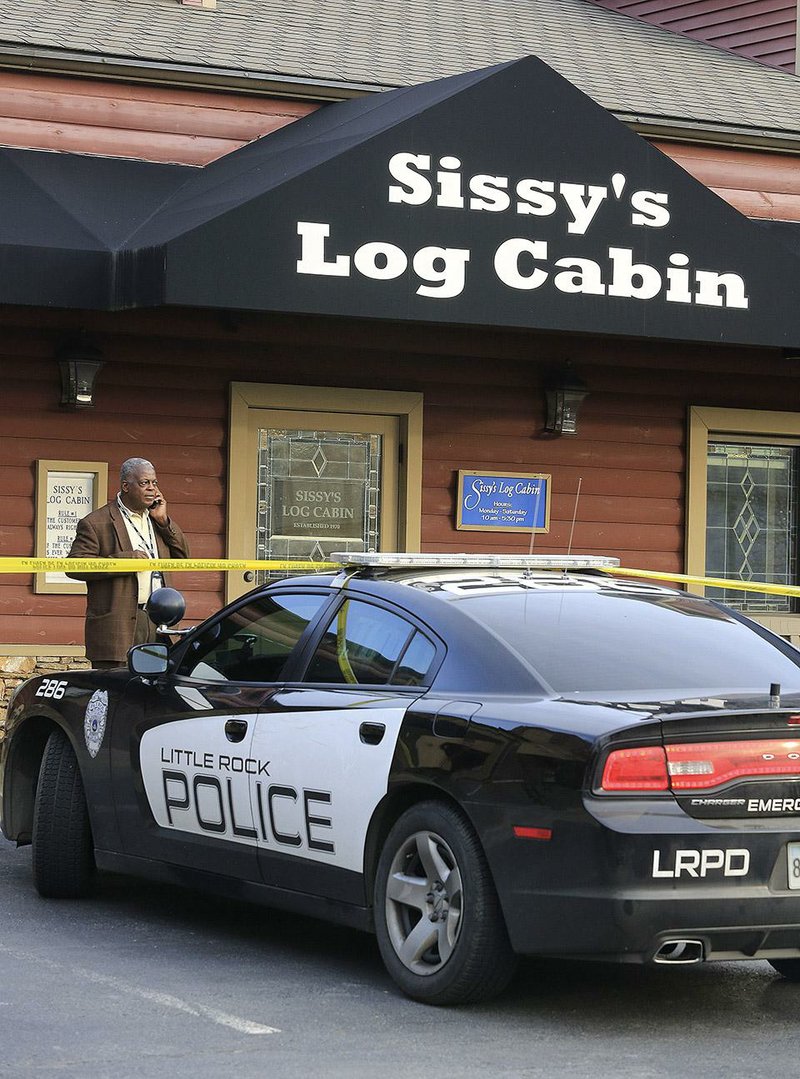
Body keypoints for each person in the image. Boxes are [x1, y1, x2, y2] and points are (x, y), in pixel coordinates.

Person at [67, 457, 190, 669]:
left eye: (154, 483)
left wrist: (164, 521)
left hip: (157, 620)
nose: (152, 489)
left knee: (151, 687)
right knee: (116, 692)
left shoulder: (157, 519)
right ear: (126, 486)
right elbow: (74, 566)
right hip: (118, 623)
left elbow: (182, 556)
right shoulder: (96, 522)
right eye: (144, 483)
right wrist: (122, 561)